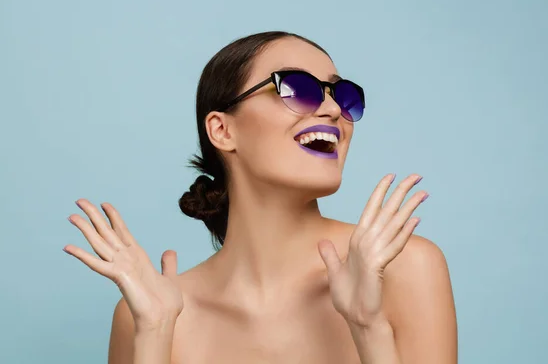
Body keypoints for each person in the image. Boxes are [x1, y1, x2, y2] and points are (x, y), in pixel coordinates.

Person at [63, 31, 457, 363]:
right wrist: (154, 332)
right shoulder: (148, 311)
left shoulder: (403, 268)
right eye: (298, 89)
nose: (334, 109)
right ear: (222, 131)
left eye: (343, 95)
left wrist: (368, 327)